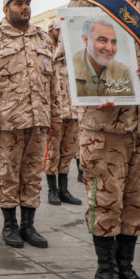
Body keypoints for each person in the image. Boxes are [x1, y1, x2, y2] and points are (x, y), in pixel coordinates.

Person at [68, 0, 140, 279]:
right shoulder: (87, 3)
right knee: (106, 199)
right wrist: (96, 91)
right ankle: (105, 270)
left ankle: (127, 268)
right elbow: (64, 61)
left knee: (137, 198)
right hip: (104, 125)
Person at [0, 0, 60, 250]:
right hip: (8, 120)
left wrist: (55, 116)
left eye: (28, 4)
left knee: (33, 173)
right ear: (6, 9)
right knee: (8, 173)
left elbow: (53, 81)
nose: (25, 8)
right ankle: (10, 224)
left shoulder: (42, 38)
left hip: (39, 118)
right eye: (19, 3)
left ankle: (28, 225)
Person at [44, 19, 82, 206]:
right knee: (53, 152)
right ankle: (52, 190)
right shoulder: (48, 52)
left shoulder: (73, 57)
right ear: (52, 32)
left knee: (68, 152)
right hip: (56, 113)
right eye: (59, 31)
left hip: (73, 111)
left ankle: (63, 189)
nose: (63, 34)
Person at [73, 18, 134, 97]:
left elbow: (130, 105)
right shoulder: (69, 69)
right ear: (86, 40)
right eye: (102, 40)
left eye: (113, 42)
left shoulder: (123, 72)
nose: (109, 48)